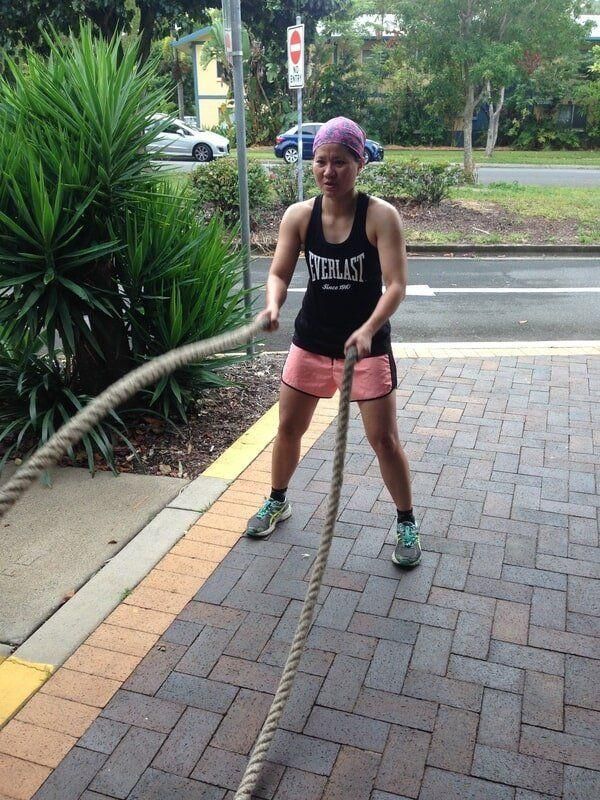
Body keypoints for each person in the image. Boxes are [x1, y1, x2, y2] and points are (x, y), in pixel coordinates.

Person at [245, 117, 420, 568]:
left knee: (384, 440)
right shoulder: (300, 216)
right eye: (320, 161)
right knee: (288, 430)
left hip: (366, 350)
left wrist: (367, 329)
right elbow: (279, 272)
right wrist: (272, 305)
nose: (328, 171)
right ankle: (277, 500)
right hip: (312, 341)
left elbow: (396, 285)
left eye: (339, 161)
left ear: (358, 164)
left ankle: (406, 521)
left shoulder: (380, 216)